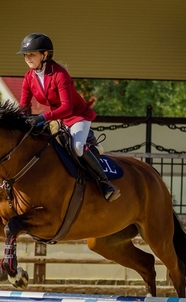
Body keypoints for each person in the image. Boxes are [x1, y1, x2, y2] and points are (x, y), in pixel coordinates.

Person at [18, 33, 120, 202]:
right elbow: (23, 105)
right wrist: (21, 120)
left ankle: (105, 183)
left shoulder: (59, 74)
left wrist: (42, 117)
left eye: (32, 54)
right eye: (26, 55)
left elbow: (67, 107)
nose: (28, 58)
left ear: (45, 55)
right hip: (56, 117)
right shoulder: (29, 77)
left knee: (78, 147)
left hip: (76, 116)